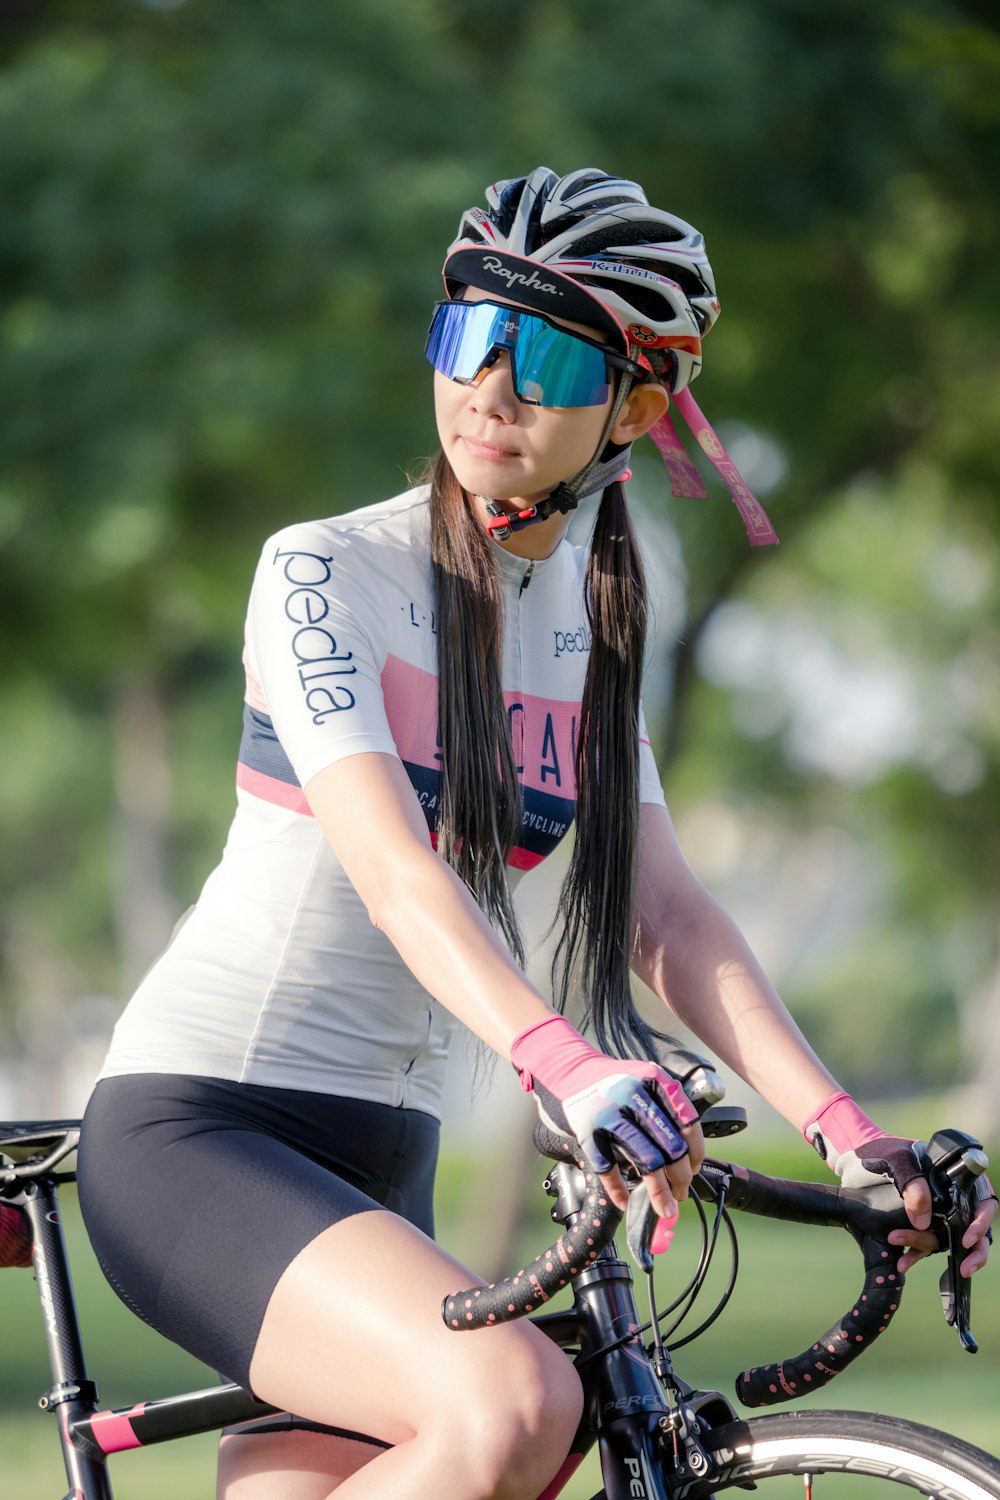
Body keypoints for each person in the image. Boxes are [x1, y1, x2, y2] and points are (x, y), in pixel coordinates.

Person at [75, 167, 995, 1500]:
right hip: (204, 1134)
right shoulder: (326, 571)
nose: (491, 387)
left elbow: (665, 919)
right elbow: (394, 871)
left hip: (387, 1156)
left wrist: (854, 1135)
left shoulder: (598, 615)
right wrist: (570, 1063)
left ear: (636, 406)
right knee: (517, 1401)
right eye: (468, 335)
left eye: (547, 352)